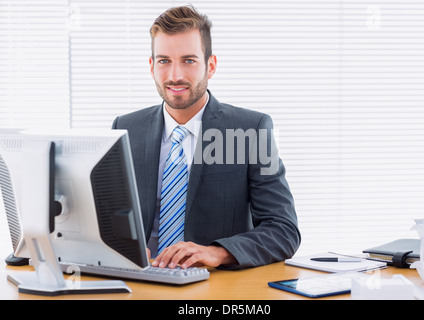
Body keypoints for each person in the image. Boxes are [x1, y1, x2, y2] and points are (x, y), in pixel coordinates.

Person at [112, 5, 300, 270]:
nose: (175, 75)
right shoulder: (126, 129)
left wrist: (219, 252)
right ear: (152, 66)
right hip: (142, 281)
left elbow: (284, 230)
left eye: (189, 60)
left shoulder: (252, 130)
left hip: (213, 287)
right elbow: (108, 218)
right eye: (164, 60)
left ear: (210, 66)